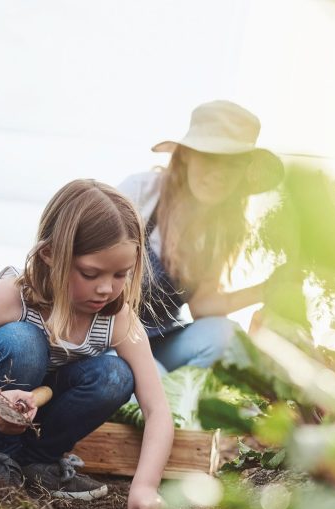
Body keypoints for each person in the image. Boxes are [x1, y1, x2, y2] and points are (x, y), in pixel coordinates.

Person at [0, 179, 174, 509]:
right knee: (24, 341)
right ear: (50, 254)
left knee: (115, 375)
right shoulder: (13, 296)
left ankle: (36, 461)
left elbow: (158, 411)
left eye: (120, 274)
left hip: (36, 419)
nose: (106, 288)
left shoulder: (119, 320)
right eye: (90, 273)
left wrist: (144, 486)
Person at [117, 100, 284, 372]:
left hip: (159, 341)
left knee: (225, 336)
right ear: (186, 157)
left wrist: (265, 290)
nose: (219, 174)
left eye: (231, 164)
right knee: (154, 382)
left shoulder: (220, 231)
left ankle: (174, 392)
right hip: (108, 339)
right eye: (210, 158)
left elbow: (202, 305)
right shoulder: (140, 194)